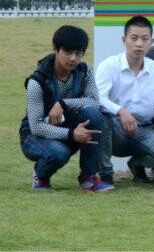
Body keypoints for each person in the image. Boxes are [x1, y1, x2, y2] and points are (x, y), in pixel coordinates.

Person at [20, 25, 113, 192]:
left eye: (78, 53)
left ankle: (89, 177)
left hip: (68, 126)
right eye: (68, 52)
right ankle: (41, 176)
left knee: (93, 114)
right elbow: (36, 127)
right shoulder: (37, 81)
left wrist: (63, 103)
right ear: (55, 49)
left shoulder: (85, 72)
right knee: (59, 153)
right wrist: (72, 134)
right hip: (35, 136)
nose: (73, 58)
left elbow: (94, 102)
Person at [95, 16, 154, 185]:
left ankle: (136, 164)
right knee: (100, 117)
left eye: (145, 39)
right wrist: (121, 111)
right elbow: (98, 97)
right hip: (114, 129)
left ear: (151, 42)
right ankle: (106, 174)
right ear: (124, 40)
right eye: (134, 38)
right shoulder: (109, 65)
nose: (139, 44)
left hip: (144, 129)